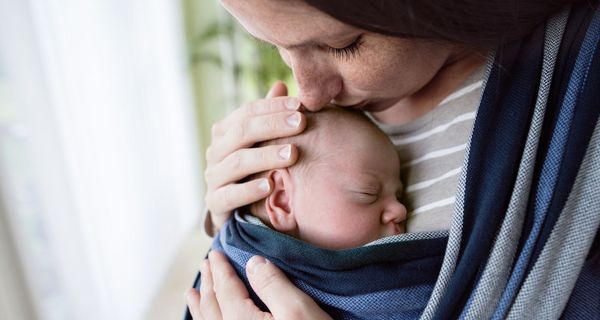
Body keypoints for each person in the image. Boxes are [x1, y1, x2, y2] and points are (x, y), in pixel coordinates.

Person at [186, 0, 600, 319]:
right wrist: (238, 219)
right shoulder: (317, 135)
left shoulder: (577, 95)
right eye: (274, 44)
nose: (309, 91)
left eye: (340, 44)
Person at [245, 106, 407, 250]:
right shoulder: (236, 264)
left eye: (399, 197)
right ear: (283, 200)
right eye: (368, 193)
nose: (401, 210)